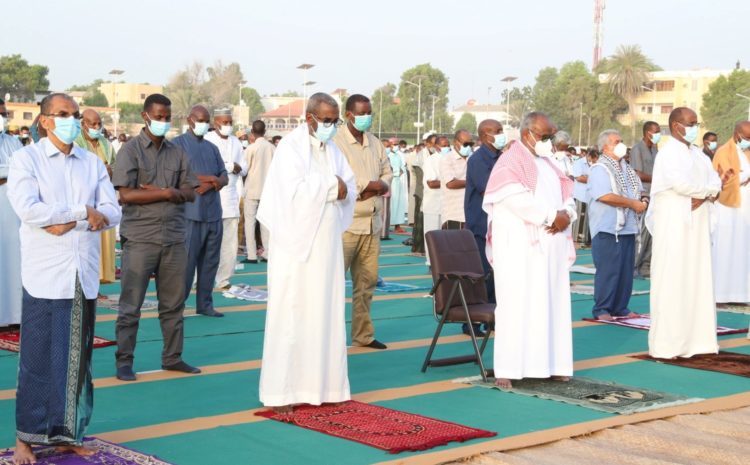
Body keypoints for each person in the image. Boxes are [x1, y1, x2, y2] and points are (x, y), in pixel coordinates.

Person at [7, 93, 121, 463]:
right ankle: (26, 438)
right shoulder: (27, 159)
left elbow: (112, 211)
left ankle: (67, 433)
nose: (71, 120)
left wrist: (71, 219)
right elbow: (29, 209)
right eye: (63, 114)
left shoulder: (91, 162)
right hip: (46, 274)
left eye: (75, 115)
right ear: (44, 120)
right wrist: (81, 211)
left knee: (76, 361)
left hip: (82, 273)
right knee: (38, 359)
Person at [257, 93, 356, 412]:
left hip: (326, 248)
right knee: (292, 316)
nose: (331, 126)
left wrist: (336, 187)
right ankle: (282, 393)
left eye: (335, 121)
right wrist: (331, 186)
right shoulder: (290, 148)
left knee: (324, 314)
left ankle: (323, 387)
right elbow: (294, 192)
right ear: (310, 118)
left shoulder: (333, 149)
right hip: (295, 249)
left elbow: (349, 185)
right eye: (327, 121)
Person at [483, 112, 576, 389]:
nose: (549, 141)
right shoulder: (509, 163)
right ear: (528, 135)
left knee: (552, 303)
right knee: (517, 305)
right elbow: (515, 200)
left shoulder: (548, 163)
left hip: (551, 248)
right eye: (545, 137)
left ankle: (553, 364)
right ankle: (509, 369)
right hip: (520, 250)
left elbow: (567, 193)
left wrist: (567, 214)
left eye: (551, 136)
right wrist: (552, 217)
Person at [112, 93, 201, 381]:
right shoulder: (131, 150)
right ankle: (124, 361)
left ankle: (173, 357)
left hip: (174, 238)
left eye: (166, 117)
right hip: (140, 238)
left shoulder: (177, 153)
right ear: (145, 116)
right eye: (158, 116)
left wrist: (161, 192)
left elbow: (190, 191)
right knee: (130, 306)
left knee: (174, 305)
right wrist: (166, 192)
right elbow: (125, 194)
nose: (163, 121)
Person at [646, 107, 731, 359]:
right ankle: (668, 345)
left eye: (697, 122)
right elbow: (680, 185)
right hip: (674, 224)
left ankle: (699, 341)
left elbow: (715, 183)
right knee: (673, 279)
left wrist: (703, 194)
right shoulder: (668, 154)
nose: (696, 127)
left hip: (698, 224)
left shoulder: (698, 154)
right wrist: (704, 192)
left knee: (698, 278)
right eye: (691, 123)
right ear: (675, 126)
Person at [333, 94, 392, 350]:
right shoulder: (336, 143)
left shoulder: (375, 142)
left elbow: (387, 172)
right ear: (349, 115)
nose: (366, 118)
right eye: (362, 113)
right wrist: (367, 186)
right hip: (346, 225)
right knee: (333, 286)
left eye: (369, 113)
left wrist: (380, 185)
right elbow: (337, 179)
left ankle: (363, 335)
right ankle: (329, 338)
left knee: (366, 284)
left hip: (371, 224)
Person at [172, 105, 228, 317]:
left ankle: (205, 304)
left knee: (210, 262)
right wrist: (210, 179)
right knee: (186, 264)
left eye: (207, 120)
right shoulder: (177, 145)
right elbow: (180, 174)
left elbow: (224, 175)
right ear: (190, 120)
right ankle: (177, 306)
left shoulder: (212, 148)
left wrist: (213, 182)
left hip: (213, 213)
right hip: (189, 214)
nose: (204, 124)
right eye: (200, 120)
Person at [587, 130, 647, 320]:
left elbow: (640, 190)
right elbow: (604, 196)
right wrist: (633, 203)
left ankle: (620, 307)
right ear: (605, 147)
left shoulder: (627, 169)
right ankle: (602, 309)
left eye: (621, 141)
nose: (621, 144)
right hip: (608, 228)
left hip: (628, 228)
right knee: (608, 271)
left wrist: (644, 200)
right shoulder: (600, 169)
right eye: (616, 142)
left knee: (625, 271)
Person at [205, 108, 247, 290]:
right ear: (216, 124)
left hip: (231, 199)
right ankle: (200, 279)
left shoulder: (237, 142)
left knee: (229, 244)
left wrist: (235, 167)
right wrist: (229, 166)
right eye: (225, 123)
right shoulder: (207, 140)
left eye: (230, 122)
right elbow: (207, 167)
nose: (228, 126)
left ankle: (224, 280)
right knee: (207, 243)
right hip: (211, 198)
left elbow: (244, 167)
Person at [75, 109, 118, 290]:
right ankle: (87, 285)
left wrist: (111, 171)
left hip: (104, 199)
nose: (96, 127)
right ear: (83, 124)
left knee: (104, 243)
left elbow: (116, 165)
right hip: (85, 202)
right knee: (87, 246)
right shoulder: (76, 143)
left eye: (99, 123)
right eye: (92, 124)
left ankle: (99, 282)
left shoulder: (106, 144)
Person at [465, 119, 504, 306]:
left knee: (499, 273)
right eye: (496, 131)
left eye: (501, 130)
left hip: (500, 224)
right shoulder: (477, 160)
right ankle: (475, 318)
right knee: (483, 273)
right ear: (484, 136)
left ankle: (495, 316)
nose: (500, 134)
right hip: (482, 224)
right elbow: (489, 189)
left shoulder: (504, 157)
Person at [711, 121, 750, 306]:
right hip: (728, 208)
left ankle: (742, 295)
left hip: (745, 209)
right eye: (747, 138)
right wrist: (745, 176)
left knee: (744, 250)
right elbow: (722, 178)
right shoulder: (724, 151)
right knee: (726, 248)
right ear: (737, 134)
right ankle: (720, 295)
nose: (748, 142)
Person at [0, 98, 23, 328]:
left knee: (14, 262)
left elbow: (24, 170)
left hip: (13, 211)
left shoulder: (13, 142)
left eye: (5, 113)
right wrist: (9, 173)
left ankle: (14, 316)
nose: (3, 118)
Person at [631, 121, 660, 279]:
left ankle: (646, 266)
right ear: (647, 132)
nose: (658, 134)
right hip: (643, 195)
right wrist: (658, 178)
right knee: (641, 233)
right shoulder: (637, 149)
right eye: (655, 131)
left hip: (655, 195)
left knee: (652, 232)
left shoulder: (655, 149)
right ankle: (634, 265)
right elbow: (638, 173)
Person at [243, 120, 274, 263]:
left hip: (252, 190)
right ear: (265, 131)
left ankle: (251, 255)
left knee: (250, 223)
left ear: (252, 133)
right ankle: (267, 253)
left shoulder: (251, 148)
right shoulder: (272, 148)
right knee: (266, 223)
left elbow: (244, 169)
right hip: (268, 190)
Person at [422, 136, 449, 265]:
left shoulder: (450, 159)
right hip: (432, 204)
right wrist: (450, 182)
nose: (447, 147)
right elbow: (431, 183)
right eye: (444, 145)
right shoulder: (430, 161)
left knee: (446, 238)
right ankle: (431, 263)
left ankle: (444, 263)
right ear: (437, 147)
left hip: (448, 205)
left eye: (448, 145)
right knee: (432, 235)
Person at [440, 130, 472, 229]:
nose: (468, 147)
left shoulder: (472, 158)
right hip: (454, 215)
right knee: (453, 243)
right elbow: (451, 183)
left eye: (470, 144)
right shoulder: (447, 159)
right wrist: (473, 182)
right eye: (465, 144)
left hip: (470, 213)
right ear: (455, 142)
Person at [571, 148, 598, 245]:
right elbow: (579, 178)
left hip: (592, 197)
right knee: (580, 219)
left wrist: (588, 177)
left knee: (588, 219)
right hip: (581, 196)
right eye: (593, 158)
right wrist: (594, 178)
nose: (594, 161)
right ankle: (578, 240)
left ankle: (587, 239)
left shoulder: (596, 164)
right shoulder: (578, 163)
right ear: (588, 155)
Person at [388, 139, 407, 232]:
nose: (396, 146)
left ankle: (397, 225)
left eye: (397, 144)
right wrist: (396, 172)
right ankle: (386, 225)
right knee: (390, 203)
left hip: (398, 182)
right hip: (390, 182)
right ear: (390, 145)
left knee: (399, 203)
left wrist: (400, 171)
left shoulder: (398, 156)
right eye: (394, 144)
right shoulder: (387, 155)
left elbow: (403, 168)